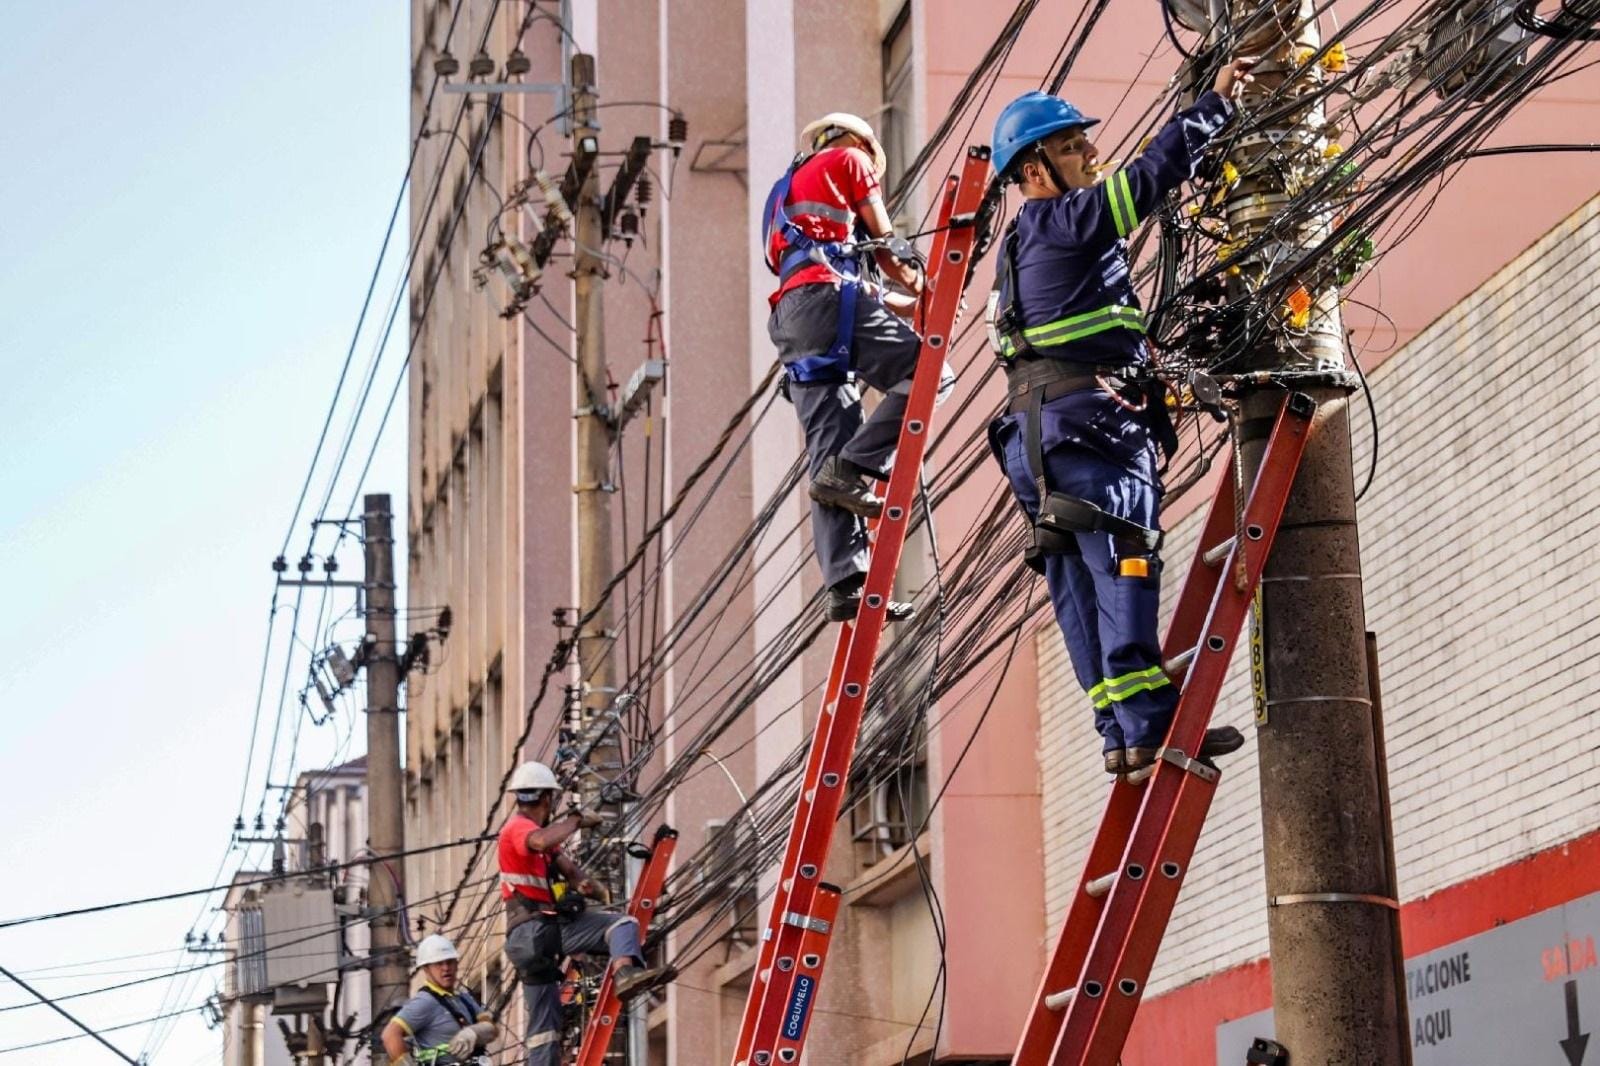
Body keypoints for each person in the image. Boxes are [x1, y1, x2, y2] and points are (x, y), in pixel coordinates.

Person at [985, 62, 1256, 775]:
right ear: (1035, 169)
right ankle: (1149, 724)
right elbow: (1144, 183)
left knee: (1077, 582)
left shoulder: (1017, 247)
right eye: (1072, 147)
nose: (1089, 155)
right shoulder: (1065, 219)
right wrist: (1215, 106)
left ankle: (1121, 731)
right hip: (1091, 427)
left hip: (1036, 437)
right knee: (1127, 560)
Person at [763, 111, 954, 622]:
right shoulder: (850, 158)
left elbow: (839, 279)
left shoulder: (790, 192)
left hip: (796, 316)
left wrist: (908, 303)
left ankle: (845, 584)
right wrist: (922, 283)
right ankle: (855, 468)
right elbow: (889, 247)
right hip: (827, 304)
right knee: (931, 373)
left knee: (829, 448)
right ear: (859, 142)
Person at [498, 761, 668, 1065]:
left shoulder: (544, 845)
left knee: (545, 1031)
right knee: (622, 925)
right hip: (539, 931)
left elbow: (573, 872)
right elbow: (539, 841)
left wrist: (591, 888)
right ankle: (626, 973)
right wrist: (576, 821)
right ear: (548, 799)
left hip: (526, 943)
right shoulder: (520, 828)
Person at [380, 934, 498, 1065]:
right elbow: (390, 1035)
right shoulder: (424, 1002)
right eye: (438, 964)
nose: (446, 968)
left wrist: (474, 1032)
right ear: (426, 969)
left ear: (456, 964)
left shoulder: (464, 998)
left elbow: (492, 1029)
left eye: (449, 962)